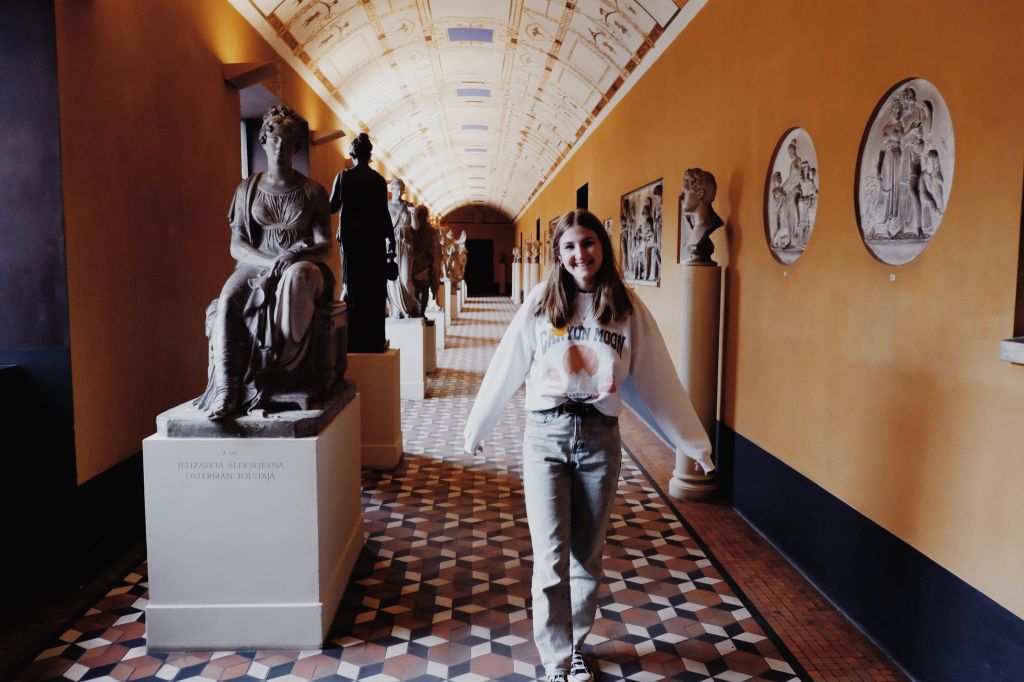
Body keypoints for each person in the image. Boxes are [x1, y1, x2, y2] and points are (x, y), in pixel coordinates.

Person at [463, 209, 714, 682]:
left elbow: (659, 378)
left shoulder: (626, 306)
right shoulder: (541, 301)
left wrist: (692, 443)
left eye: (590, 243)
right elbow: (507, 364)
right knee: (550, 557)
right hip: (546, 435)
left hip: (600, 439)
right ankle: (557, 661)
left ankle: (576, 645)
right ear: (559, 254)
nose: (582, 254)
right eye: (571, 246)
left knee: (587, 555)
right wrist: (479, 426)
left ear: (603, 246)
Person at [195, 105, 334, 419]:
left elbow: (324, 245)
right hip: (255, 262)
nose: (280, 148)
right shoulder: (247, 190)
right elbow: (237, 245)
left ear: (296, 146)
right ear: (263, 141)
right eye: (274, 140)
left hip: (300, 262)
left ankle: (284, 374)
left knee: (296, 280)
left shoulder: (313, 191)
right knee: (229, 298)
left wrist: (295, 254)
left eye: (287, 142)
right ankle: (227, 389)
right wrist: (266, 260)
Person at [330, 133, 396, 352]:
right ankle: (375, 337)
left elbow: (331, 206)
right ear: (369, 155)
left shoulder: (344, 177)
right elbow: (384, 216)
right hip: (374, 242)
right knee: (375, 288)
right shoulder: (378, 180)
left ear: (352, 154)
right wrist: (391, 244)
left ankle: (355, 337)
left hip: (352, 242)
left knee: (354, 287)